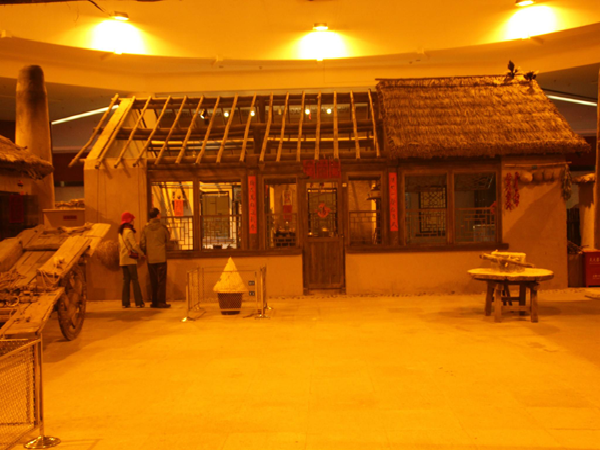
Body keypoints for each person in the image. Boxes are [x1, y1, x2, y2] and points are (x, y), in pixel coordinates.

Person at [140, 207, 171, 308]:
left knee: (153, 279)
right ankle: (161, 302)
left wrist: (145, 252)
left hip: (151, 258)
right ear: (157, 215)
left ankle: (154, 302)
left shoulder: (145, 228)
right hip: (161, 257)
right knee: (161, 280)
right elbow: (168, 240)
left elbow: (142, 243)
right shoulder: (163, 227)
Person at [118, 211, 145, 308]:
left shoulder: (120, 233)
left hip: (122, 259)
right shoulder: (129, 232)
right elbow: (134, 246)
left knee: (126, 281)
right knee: (135, 280)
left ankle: (125, 303)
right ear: (129, 221)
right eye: (132, 220)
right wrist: (142, 253)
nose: (133, 221)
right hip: (130, 259)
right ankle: (139, 302)